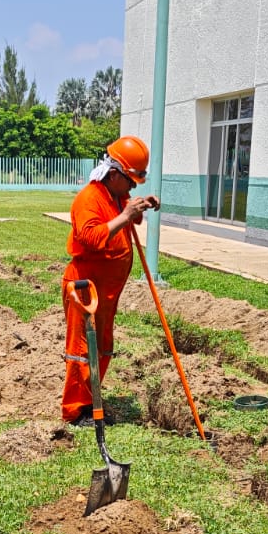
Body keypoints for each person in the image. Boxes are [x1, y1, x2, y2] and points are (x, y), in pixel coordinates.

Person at [60, 135, 161, 426]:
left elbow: (127, 215)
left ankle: (92, 401)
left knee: (101, 347)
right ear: (114, 174)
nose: (132, 187)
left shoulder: (116, 196)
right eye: (130, 181)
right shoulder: (88, 199)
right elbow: (90, 237)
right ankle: (75, 410)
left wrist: (139, 205)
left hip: (106, 292)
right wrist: (126, 214)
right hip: (85, 288)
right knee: (82, 350)